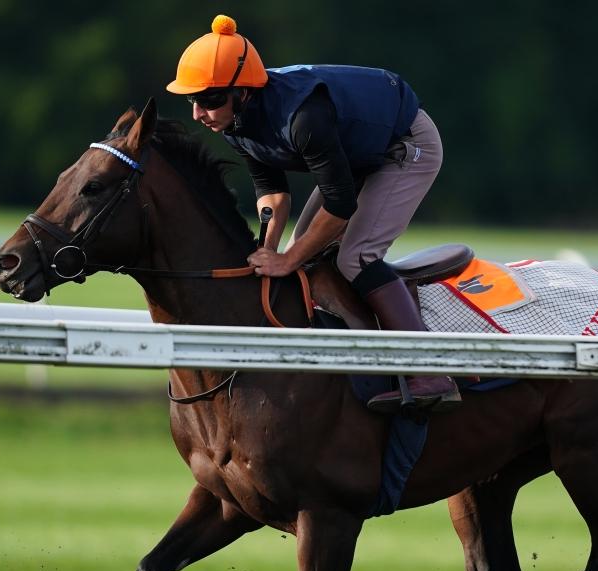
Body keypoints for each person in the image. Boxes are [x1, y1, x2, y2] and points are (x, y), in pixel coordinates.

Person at [166, 15, 460, 414]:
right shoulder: (235, 123)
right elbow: (273, 193)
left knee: (355, 256)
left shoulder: (303, 117)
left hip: (405, 145)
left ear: (242, 92)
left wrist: (288, 258)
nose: (199, 113)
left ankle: (431, 371)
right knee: (300, 257)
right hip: (357, 155)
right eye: (193, 100)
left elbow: (340, 206)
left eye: (210, 99)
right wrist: (267, 252)